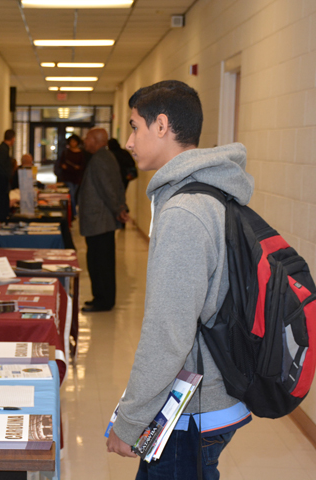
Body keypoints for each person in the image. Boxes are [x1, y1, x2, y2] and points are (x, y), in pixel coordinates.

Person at [107, 80, 253, 479]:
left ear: (162, 126)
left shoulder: (184, 213)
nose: (129, 141)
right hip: (210, 392)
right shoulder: (207, 195)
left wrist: (130, 421)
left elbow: (169, 334)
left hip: (191, 409)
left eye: (135, 127)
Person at [78, 128, 128, 312]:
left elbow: (107, 188)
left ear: (97, 140)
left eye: (88, 137)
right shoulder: (105, 157)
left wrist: (118, 209)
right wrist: (120, 208)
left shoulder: (100, 159)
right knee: (102, 261)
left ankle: (102, 300)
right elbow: (118, 185)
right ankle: (103, 298)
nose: (85, 140)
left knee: (99, 263)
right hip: (101, 221)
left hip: (98, 221)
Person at [57, 134, 85, 217]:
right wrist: (63, 166)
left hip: (76, 177)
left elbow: (83, 165)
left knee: (74, 195)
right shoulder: (66, 152)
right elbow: (60, 162)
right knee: (71, 195)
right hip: (67, 176)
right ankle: (74, 213)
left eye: (74, 142)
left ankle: (72, 212)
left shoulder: (81, 153)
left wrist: (78, 167)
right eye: (71, 142)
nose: (73, 143)